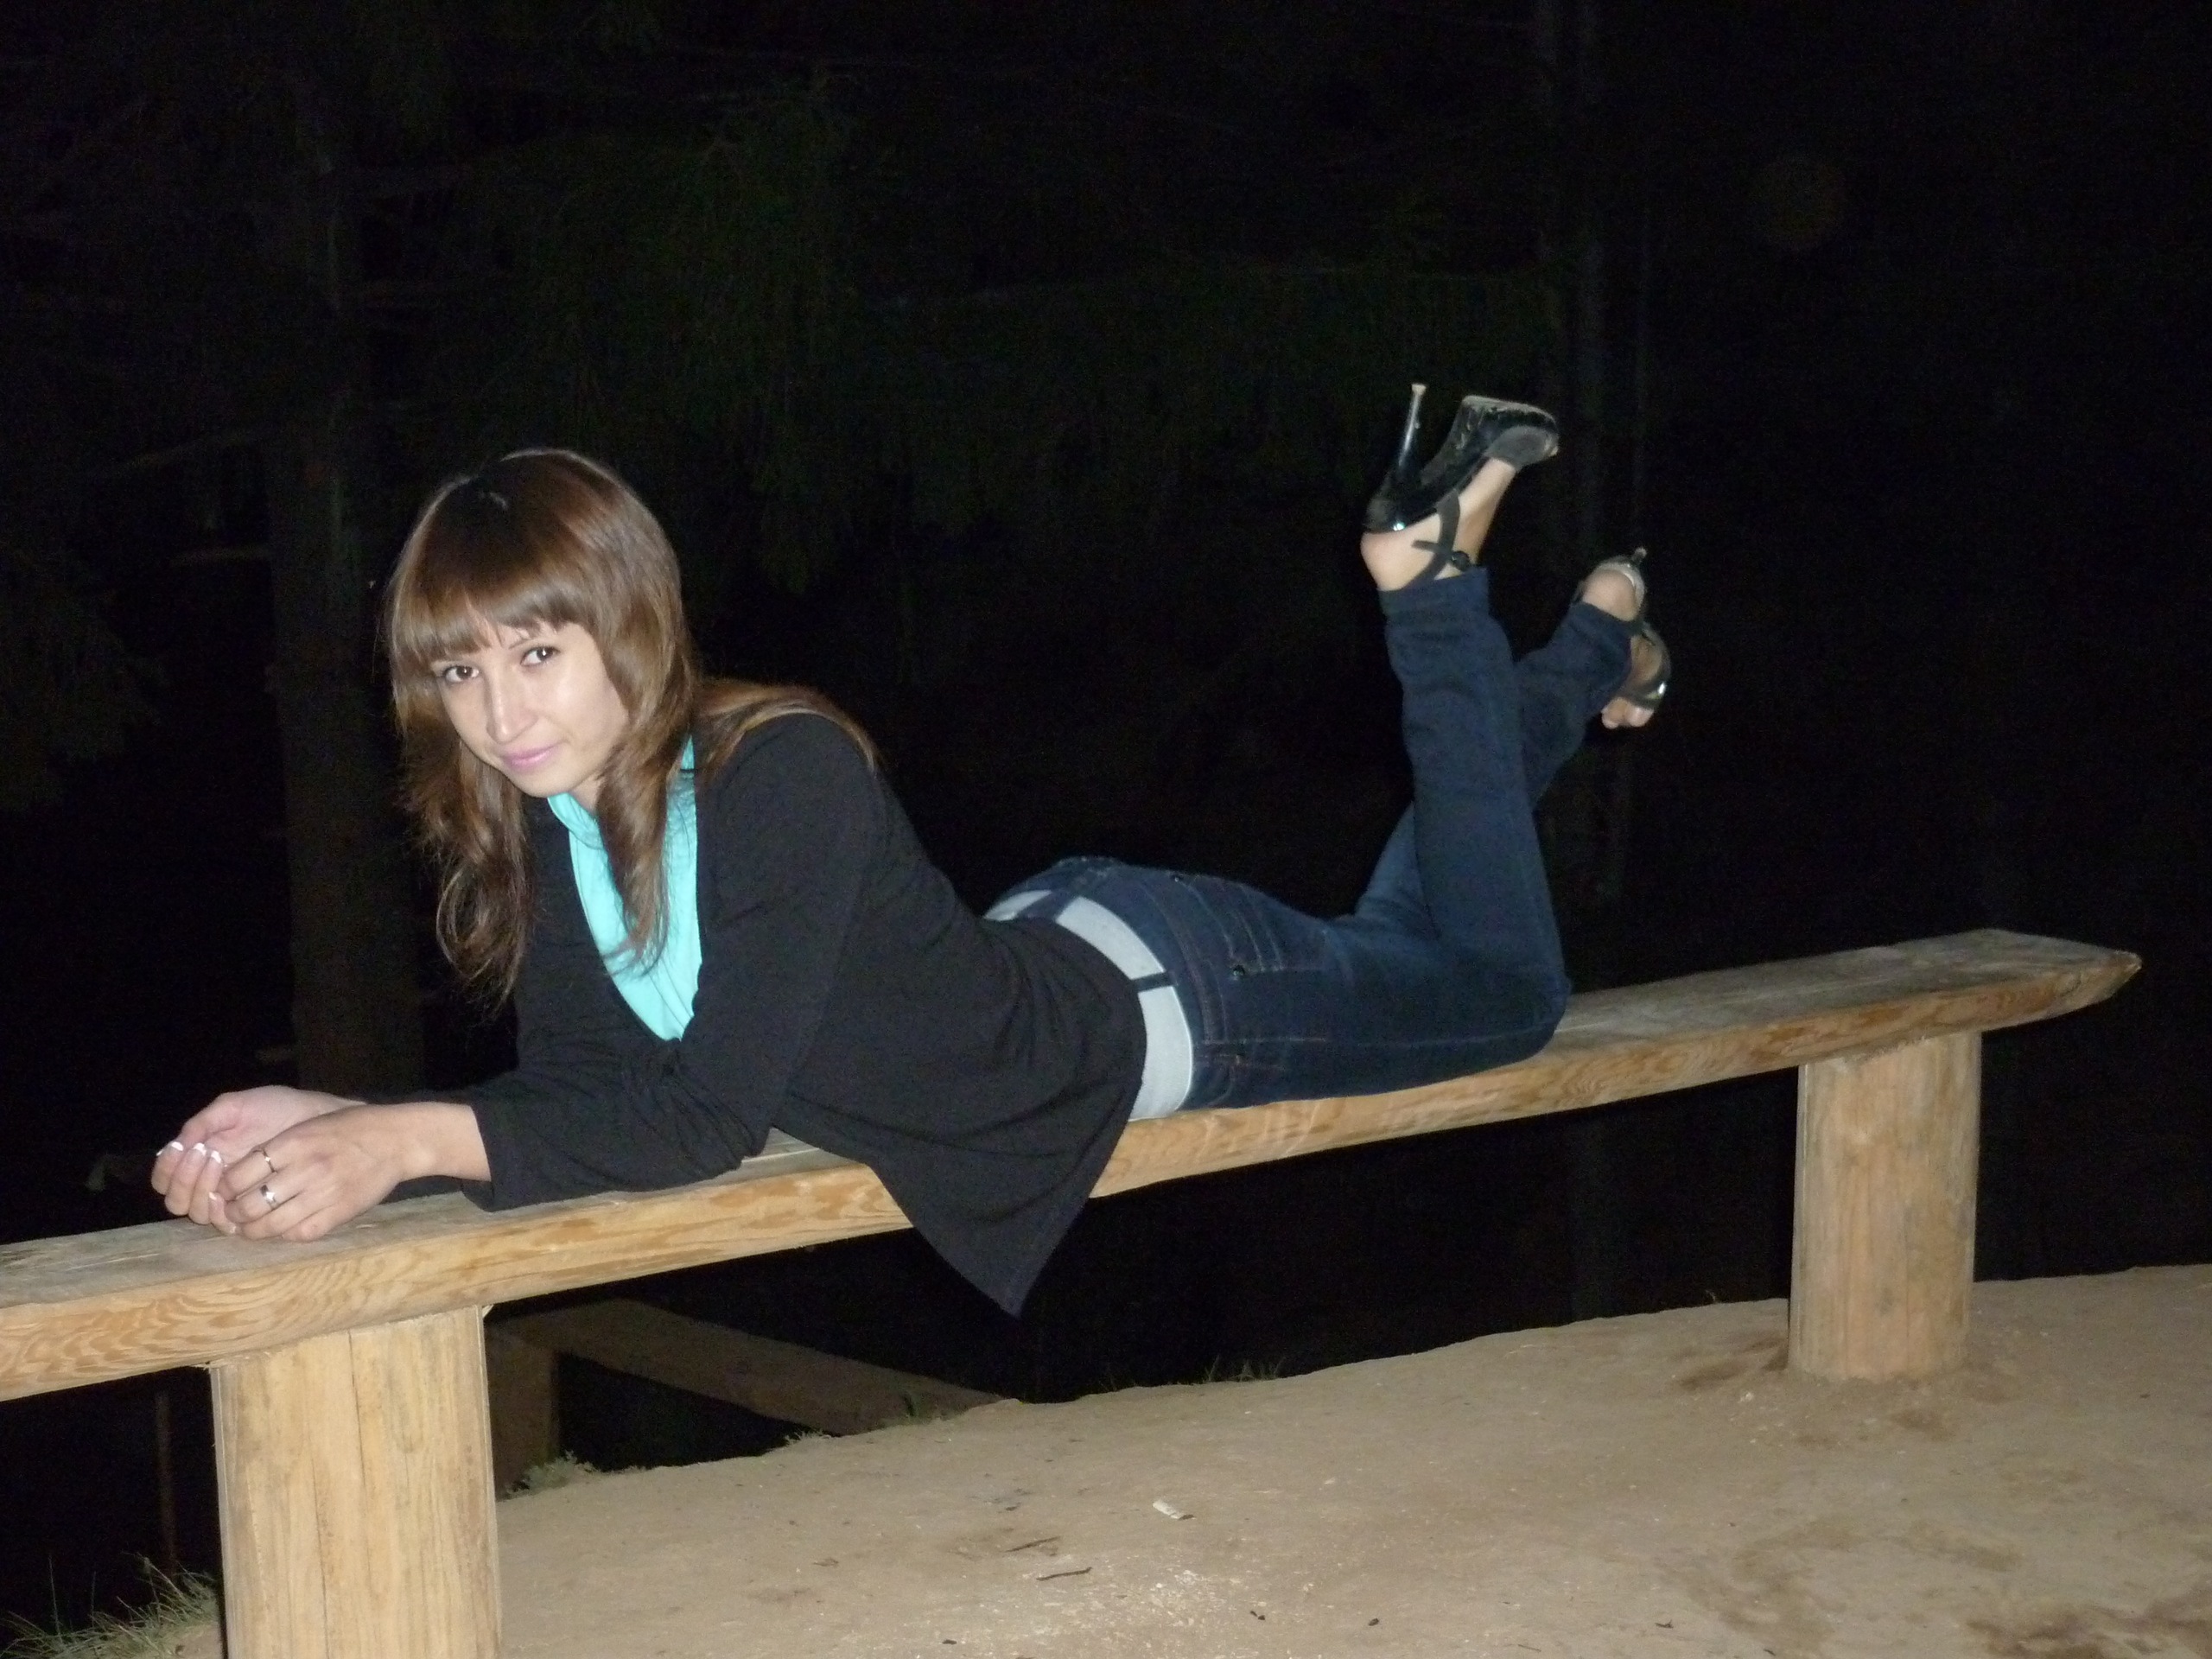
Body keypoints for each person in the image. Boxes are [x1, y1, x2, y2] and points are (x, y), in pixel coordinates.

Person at [150, 388, 1669, 1313]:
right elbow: (585, 1099)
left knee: (1502, 991)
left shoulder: (777, 773)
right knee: (1422, 927)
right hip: (1081, 949)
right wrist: (355, 1120)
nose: (499, 713)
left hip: (1189, 1000)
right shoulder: (561, 829)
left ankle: (1442, 595)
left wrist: (406, 1145)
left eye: (535, 653)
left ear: (627, 619)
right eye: (460, 672)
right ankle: (1595, 647)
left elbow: (703, 1120)